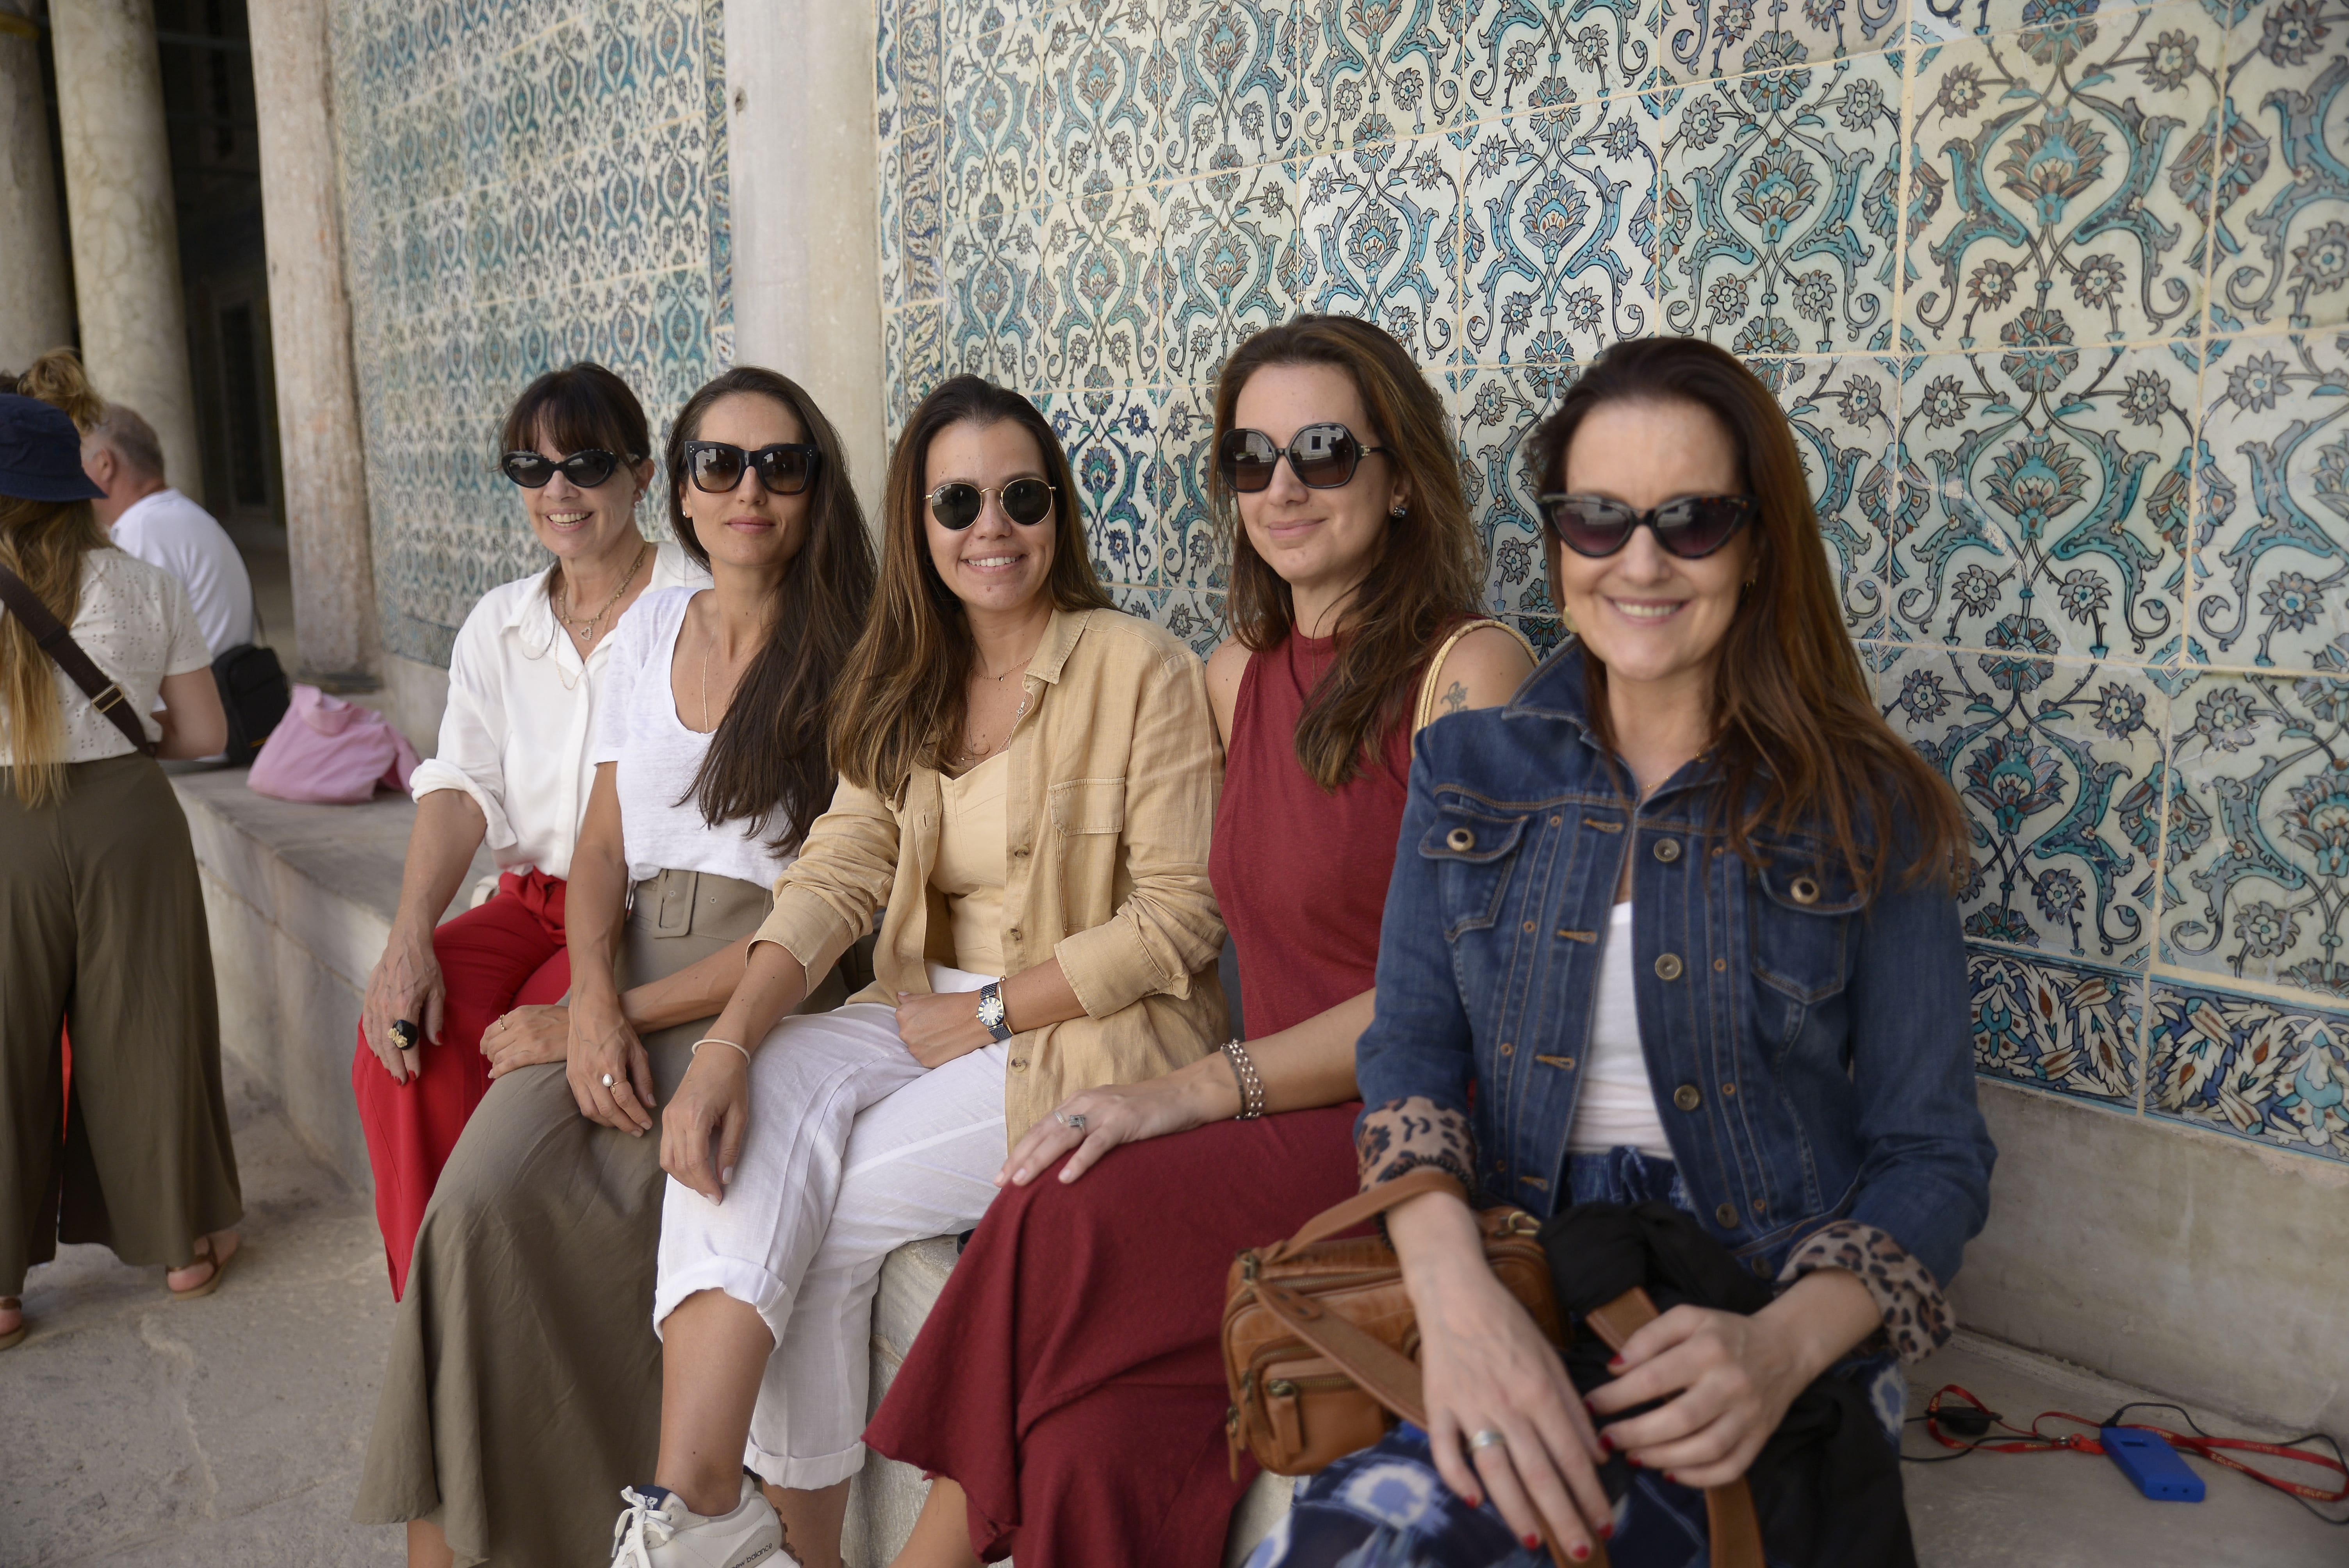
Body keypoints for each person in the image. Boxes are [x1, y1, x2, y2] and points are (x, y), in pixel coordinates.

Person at [1247, 335, 1995, 1566]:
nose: (1638, 562)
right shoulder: (1468, 769)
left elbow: (1934, 1151)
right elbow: (1412, 1056)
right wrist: (1454, 1294)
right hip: (1523, 1279)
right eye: (1597, 519)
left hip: (1763, 1304)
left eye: (1690, 520)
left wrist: (1784, 1346)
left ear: (1757, 546)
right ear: (1558, 543)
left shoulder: (1871, 808)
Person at [861, 315, 1537, 1568]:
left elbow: (1447, 994)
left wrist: (1184, 1091)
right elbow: (1161, 883)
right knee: (1087, 1447)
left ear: (1399, 477)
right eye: (1249, 458)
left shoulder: (1473, 672)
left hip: (1411, 1134)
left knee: (1058, 1200)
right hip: (1268, 1137)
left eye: (1324, 452)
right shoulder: (1235, 675)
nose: (1283, 487)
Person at [606, 375, 1229, 1568]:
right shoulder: (901, 674)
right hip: (912, 1008)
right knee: (747, 1114)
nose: (992, 527)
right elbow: (836, 871)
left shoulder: (1137, 666)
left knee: (823, 1204)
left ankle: (789, 1550)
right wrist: (728, 1043)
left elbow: (1179, 918)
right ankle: (695, 1508)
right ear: (918, 521)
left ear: (1058, 512)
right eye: (957, 502)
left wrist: (988, 1010)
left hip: (1078, 1032)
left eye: (1020, 498)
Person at [352, 366, 876, 1568]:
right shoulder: (650, 630)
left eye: (781, 466)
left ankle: (612, 1527)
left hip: (764, 985)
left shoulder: (854, 653)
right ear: (681, 489)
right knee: (474, 1203)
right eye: (720, 465)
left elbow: (825, 916)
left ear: (815, 489)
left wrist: (618, 1012)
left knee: (629, 1208)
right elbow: (601, 847)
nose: (748, 491)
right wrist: (588, 1001)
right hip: (626, 958)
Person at [351, 361, 707, 1297]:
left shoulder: (697, 607)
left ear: (641, 474)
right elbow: (461, 787)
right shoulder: (500, 623)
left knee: (522, 1067)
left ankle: (511, 1307)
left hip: (646, 910)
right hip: (527, 900)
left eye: (586, 464)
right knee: (402, 1035)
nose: (558, 490)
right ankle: (435, 1303)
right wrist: (407, 937)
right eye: (531, 467)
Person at [0, 393, 241, 1352]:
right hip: (131, 822)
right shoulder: (147, 584)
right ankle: (183, 1247)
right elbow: (205, 731)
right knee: (149, 1028)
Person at [80, 401, 257, 658]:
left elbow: (131, 657)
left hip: (205, 683)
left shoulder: (144, 531)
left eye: (77, 464)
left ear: (105, 464)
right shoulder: (180, 516)